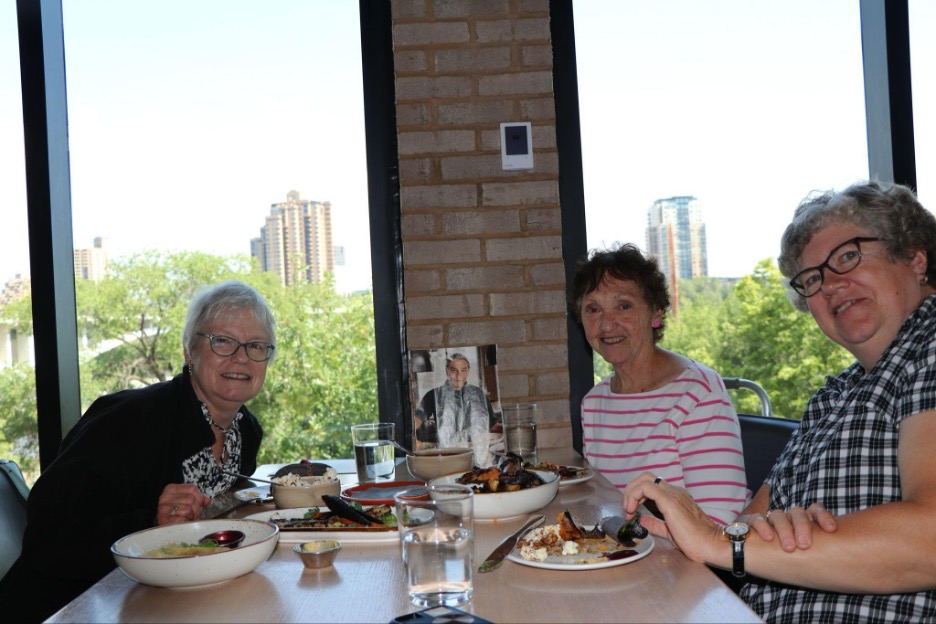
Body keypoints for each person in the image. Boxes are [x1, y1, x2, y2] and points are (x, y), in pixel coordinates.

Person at [622, 181, 936, 623]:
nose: (830, 285)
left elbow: (929, 540)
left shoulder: (929, 345)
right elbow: (746, 525)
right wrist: (709, 532)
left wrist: (725, 543)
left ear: (914, 258)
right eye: (812, 279)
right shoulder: (834, 396)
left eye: (848, 256)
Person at [0, 280, 275, 622]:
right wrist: (150, 522)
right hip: (70, 608)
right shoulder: (127, 421)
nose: (241, 357)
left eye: (256, 345)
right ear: (189, 351)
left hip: (174, 604)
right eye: (222, 341)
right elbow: (47, 539)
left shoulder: (245, 431)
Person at [572, 243, 747, 526]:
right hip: (626, 553)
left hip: (687, 564)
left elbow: (718, 523)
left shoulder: (697, 393)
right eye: (593, 309)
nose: (606, 324)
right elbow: (604, 505)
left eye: (624, 306)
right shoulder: (593, 404)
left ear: (657, 314)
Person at [414, 352, 496, 448]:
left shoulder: (478, 394)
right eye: (454, 371)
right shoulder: (433, 394)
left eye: (463, 370)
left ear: (468, 371)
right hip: (447, 450)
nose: (459, 375)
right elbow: (417, 420)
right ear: (447, 371)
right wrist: (413, 440)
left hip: (475, 449)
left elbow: (492, 424)